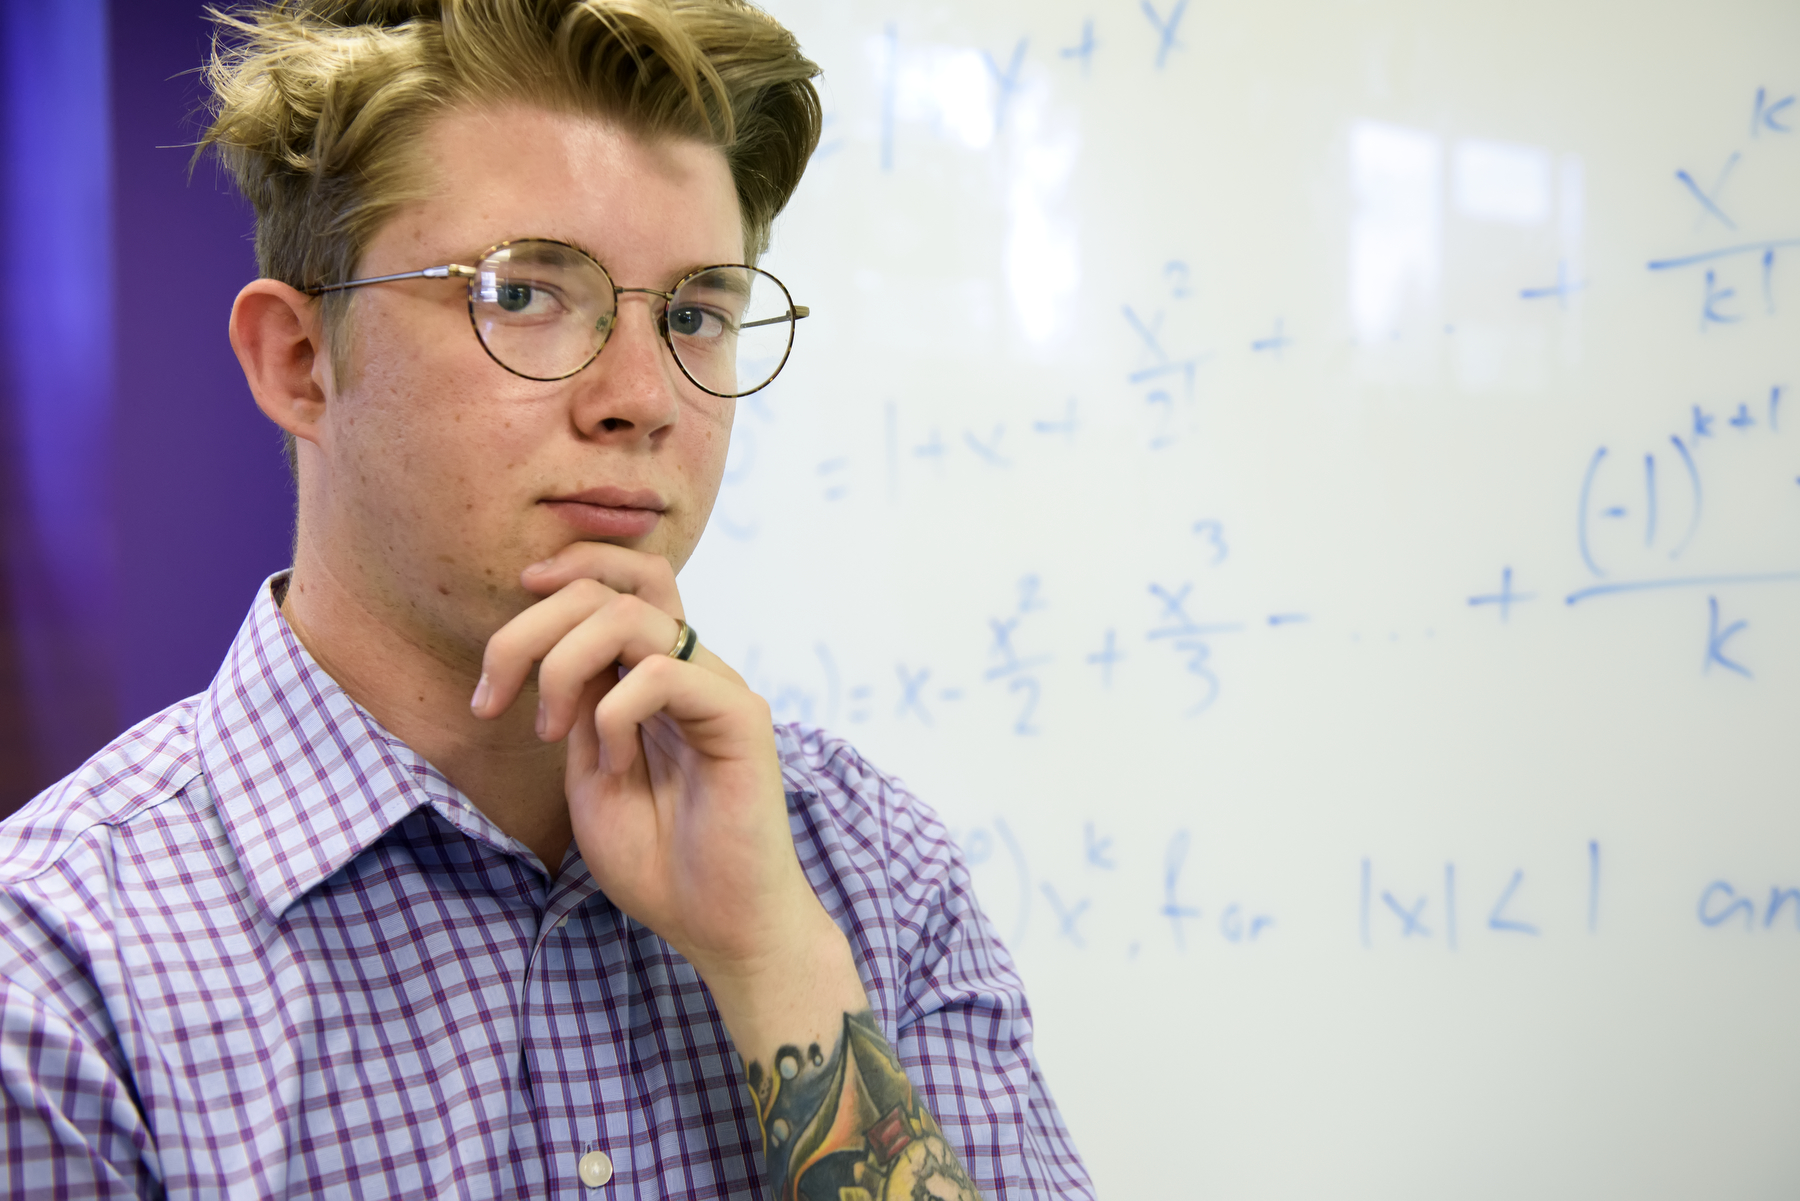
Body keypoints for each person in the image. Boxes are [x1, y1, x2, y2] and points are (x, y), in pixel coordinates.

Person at [0, 2, 1092, 1198]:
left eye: (694, 314)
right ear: (299, 364)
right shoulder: (57, 973)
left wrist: (774, 960)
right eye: (523, 293)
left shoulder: (863, 870)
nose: (643, 397)